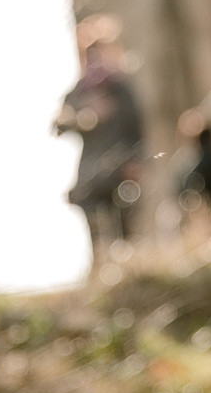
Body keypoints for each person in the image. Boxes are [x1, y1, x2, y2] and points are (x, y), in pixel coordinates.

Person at [52, 16, 145, 252]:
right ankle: (102, 277)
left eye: (98, 51)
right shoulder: (80, 92)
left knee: (126, 235)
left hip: (121, 171)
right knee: (97, 237)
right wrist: (87, 117)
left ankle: (129, 278)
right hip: (92, 175)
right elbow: (58, 124)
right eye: (89, 52)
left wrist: (138, 162)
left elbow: (138, 129)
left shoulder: (121, 89)